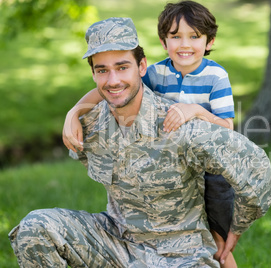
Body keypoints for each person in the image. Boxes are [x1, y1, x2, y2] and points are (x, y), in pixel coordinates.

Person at [8, 17, 271, 267]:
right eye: (102, 70)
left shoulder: (178, 123)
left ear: (142, 67)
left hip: (181, 254)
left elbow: (256, 166)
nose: (113, 81)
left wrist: (234, 229)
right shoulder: (90, 125)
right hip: (117, 243)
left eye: (122, 67)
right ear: (94, 75)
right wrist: (74, 112)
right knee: (35, 228)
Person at [63, 1, 237, 266]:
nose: (184, 44)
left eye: (194, 37)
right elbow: (110, 90)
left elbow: (228, 129)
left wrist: (195, 111)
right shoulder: (156, 72)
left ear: (209, 41)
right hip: (173, 162)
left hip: (209, 167)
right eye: (175, 36)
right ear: (163, 41)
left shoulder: (216, 76)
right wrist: (74, 112)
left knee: (217, 243)